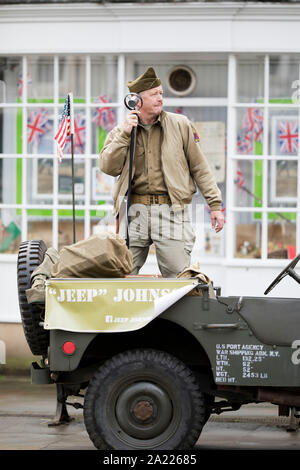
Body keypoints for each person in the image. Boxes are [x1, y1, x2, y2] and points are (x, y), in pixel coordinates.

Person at [99, 66, 224, 277]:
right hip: (133, 210)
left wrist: (215, 205)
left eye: (161, 93)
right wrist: (124, 134)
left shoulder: (180, 125)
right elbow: (107, 167)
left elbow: (200, 168)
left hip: (171, 210)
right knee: (122, 275)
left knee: (178, 276)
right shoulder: (121, 131)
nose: (160, 98)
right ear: (137, 101)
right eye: (154, 94)